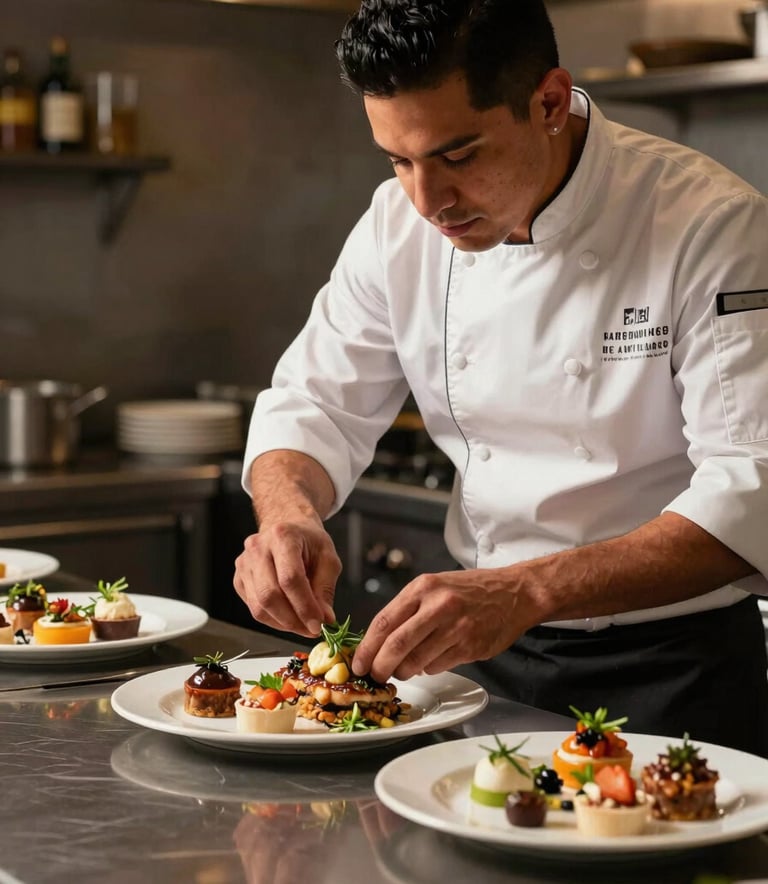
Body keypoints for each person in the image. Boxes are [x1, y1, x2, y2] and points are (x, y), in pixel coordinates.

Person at [234, 0, 768, 755]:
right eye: (398, 160)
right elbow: (313, 402)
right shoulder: (397, 226)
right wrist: (286, 515)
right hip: (485, 667)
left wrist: (527, 589)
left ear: (549, 102)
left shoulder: (710, 225)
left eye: (457, 156)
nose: (427, 201)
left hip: (673, 672)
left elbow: (754, 488)